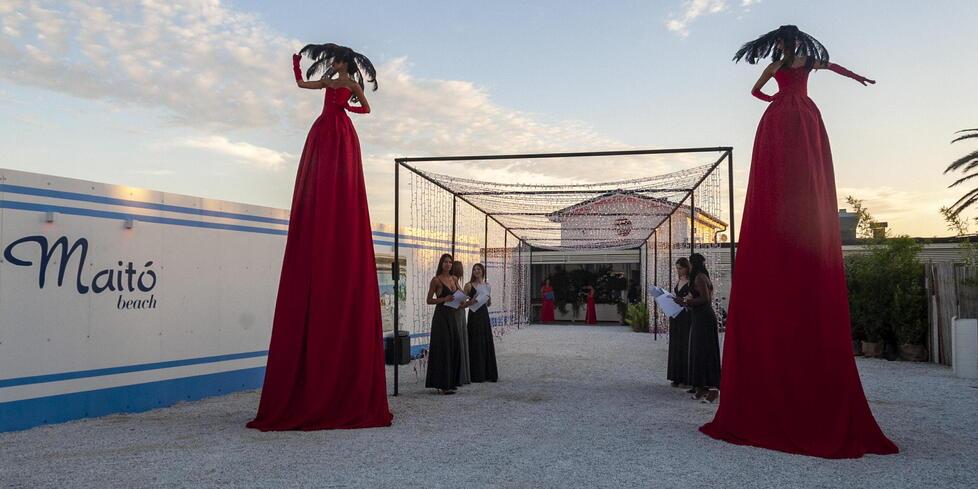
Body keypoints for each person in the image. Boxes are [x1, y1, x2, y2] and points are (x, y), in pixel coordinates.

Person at [699, 25, 898, 458]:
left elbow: (829, 68)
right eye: (785, 45)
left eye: (790, 44)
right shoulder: (786, 69)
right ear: (782, 46)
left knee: (803, 165)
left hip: (798, 115)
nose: (789, 50)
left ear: (795, 44)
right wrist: (781, 100)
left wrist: (856, 78)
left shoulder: (805, 66)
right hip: (789, 116)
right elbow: (756, 90)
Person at [247, 43, 391, 431]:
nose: (335, 67)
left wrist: (348, 108)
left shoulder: (347, 84)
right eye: (336, 63)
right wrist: (296, 65)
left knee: (337, 175)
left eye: (339, 63)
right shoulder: (329, 81)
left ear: (346, 64)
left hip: (340, 130)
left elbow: (367, 109)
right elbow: (302, 85)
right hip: (325, 131)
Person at [674, 254, 720, 403]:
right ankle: (702, 386)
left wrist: (686, 302)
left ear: (693, 265)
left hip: (704, 317)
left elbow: (705, 299)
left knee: (704, 351)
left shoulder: (700, 277)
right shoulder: (700, 276)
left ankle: (711, 387)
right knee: (698, 351)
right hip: (699, 316)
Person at [425, 254, 462, 394]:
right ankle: (442, 384)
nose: (448, 264)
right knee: (443, 348)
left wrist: (463, 300)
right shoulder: (436, 280)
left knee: (454, 345)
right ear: (441, 263)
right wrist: (443, 298)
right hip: (441, 316)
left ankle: (451, 381)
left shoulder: (454, 279)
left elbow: (460, 295)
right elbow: (428, 300)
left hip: (452, 315)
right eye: (446, 262)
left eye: (450, 262)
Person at [466, 263, 498, 382]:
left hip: (483, 314)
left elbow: (488, 304)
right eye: (474, 269)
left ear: (482, 271)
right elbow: (462, 302)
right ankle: (475, 373)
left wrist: (488, 298)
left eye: (478, 269)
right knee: (474, 341)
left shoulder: (487, 285)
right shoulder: (469, 285)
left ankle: (487, 372)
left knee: (485, 341)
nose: (476, 271)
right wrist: (472, 300)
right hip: (474, 314)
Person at [667, 258, 693, 389]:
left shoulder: (691, 281)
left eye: (680, 268)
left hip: (686, 316)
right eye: (677, 268)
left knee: (684, 344)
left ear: (687, 267)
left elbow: (691, 298)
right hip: (676, 315)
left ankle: (685, 377)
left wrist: (682, 300)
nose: (679, 270)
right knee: (676, 344)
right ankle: (676, 376)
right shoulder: (679, 280)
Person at [450, 261, 472, 385]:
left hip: (460, 312)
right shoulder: (454, 280)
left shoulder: (456, 281)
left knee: (461, 339)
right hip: (457, 313)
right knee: (459, 340)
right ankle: (460, 374)